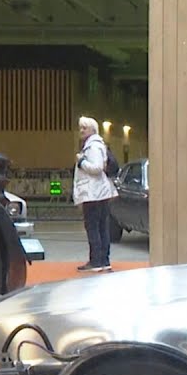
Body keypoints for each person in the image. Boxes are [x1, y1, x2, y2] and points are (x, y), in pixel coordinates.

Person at [74, 116, 118, 272]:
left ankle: (96, 261)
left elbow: (97, 168)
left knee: (93, 226)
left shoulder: (92, 147)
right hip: (100, 192)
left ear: (92, 130)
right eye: (80, 127)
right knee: (102, 227)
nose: (81, 130)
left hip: (93, 193)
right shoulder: (98, 145)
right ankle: (103, 260)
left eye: (84, 128)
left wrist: (81, 162)